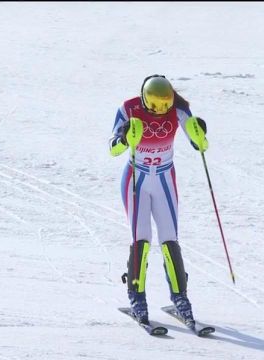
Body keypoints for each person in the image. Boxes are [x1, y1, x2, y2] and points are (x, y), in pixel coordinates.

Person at [109, 74, 208, 325]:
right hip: (136, 179)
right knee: (141, 240)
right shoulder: (128, 108)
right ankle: (137, 298)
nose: (160, 112)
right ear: (145, 99)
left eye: (164, 106)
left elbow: (198, 143)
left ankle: (180, 299)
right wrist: (124, 139)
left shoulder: (177, 108)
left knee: (170, 240)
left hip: (164, 180)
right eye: (155, 106)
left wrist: (199, 136)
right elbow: (112, 148)